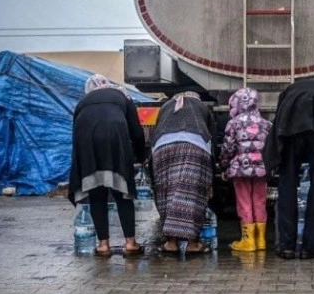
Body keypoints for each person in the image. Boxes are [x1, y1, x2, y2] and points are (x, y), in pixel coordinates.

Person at [263, 79, 314, 260]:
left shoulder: (289, 91)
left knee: (286, 185)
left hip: (291, 129)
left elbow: (279, 118)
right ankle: (312, 246)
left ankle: (286, 247)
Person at [68, 74, 146, 257]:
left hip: (86, 142)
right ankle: (130, 243)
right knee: (122, 192)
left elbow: (75, 133)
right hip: (114, 138)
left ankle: (103, 245)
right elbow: (136, 130)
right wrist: (141, 156)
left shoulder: (83, 101)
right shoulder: (122, 97)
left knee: (96, 192)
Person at [150, 91, 216, 254]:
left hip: (163, 148)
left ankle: (171, 243)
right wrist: (212, 176)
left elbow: (155, 131)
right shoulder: (201, 107)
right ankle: (193, 244)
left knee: (166, 191)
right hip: (195, 147)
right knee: (194, 192)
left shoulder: (166, 106)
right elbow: (211, 136)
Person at [220, 88, 272, 252]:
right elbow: (271, 149)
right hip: (261, 170)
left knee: (244, 202)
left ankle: (248, 241)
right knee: (260, 201)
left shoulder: (234, 123)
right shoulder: (266, 123)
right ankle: (261, 240)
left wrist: (224, 165)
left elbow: (228, 148)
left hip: (241, 169)